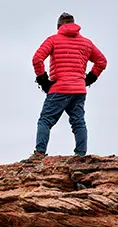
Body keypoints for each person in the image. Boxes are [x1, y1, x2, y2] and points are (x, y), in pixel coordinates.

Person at [29, 12, 107, 159]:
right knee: (78, 122)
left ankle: (39, 154)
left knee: (45, 120)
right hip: (79, 90)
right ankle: (80, 155)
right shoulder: (86, 43)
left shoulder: (53, 40)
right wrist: (88, 80)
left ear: (59, 26)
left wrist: (44, 81)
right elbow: (102, 61)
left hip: (59, 89)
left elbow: (37, 59)